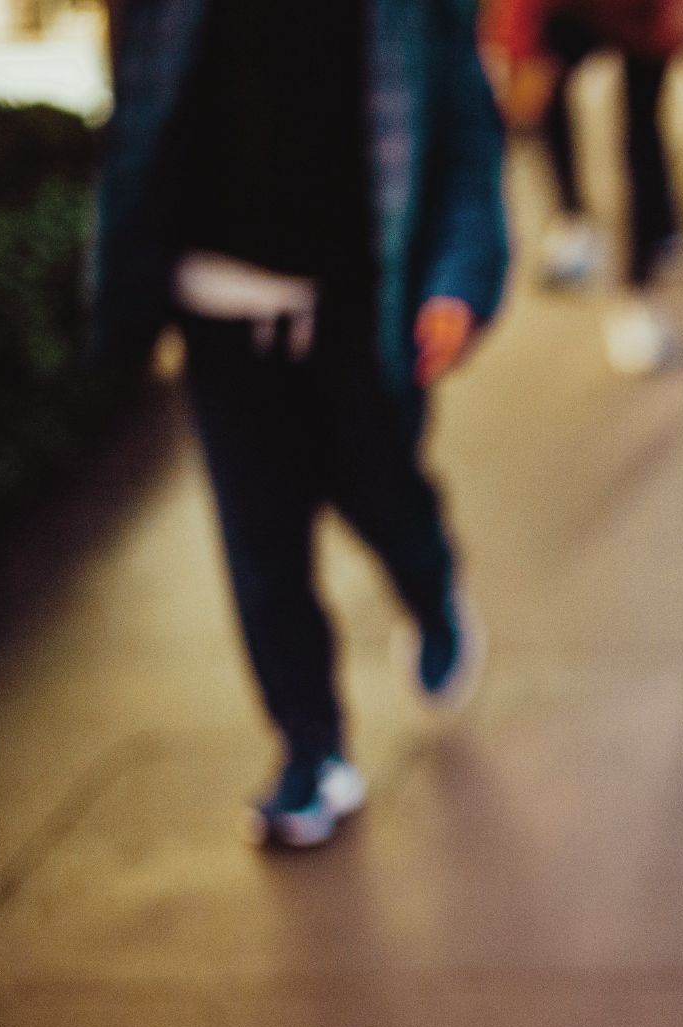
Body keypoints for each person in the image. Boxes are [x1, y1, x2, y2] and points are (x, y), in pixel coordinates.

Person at [92, 0, 509, 846]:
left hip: (357, 309)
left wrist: (458, 283)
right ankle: (311, 752)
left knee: (382, 495)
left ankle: (432, 594)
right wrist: (122, 299)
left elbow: (465, 142)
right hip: (216, 311)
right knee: (262, 547)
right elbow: (137, 125)